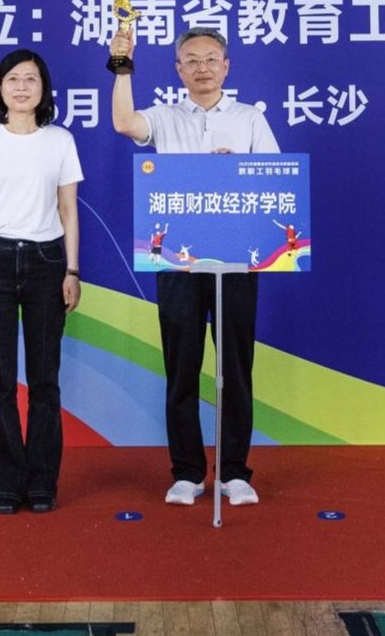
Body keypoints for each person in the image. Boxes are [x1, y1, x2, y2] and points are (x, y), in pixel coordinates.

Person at [109, 25, 277, 507]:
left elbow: (274, 181)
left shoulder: (249, 119)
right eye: (192, 61)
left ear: (227, 66)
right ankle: (186, 472)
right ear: (178, 70)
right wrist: (122, 66)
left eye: (211, 59)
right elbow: (124, 123)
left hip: (236, 260)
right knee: (181, 367)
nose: (202, 68)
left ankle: (234, 472)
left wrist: (236, 171)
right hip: (177, 261)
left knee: (235, 368)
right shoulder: (165, 117)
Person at [0, 49, 83, 514]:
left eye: (31, 79)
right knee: (0, 380)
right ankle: (6, 482)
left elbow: (69, 211)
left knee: (45, 379)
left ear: (44, 89)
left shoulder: (60, 141)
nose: (22, 87)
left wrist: (72, 270)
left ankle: (43, 482)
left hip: (47, 261)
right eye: (13, 79)